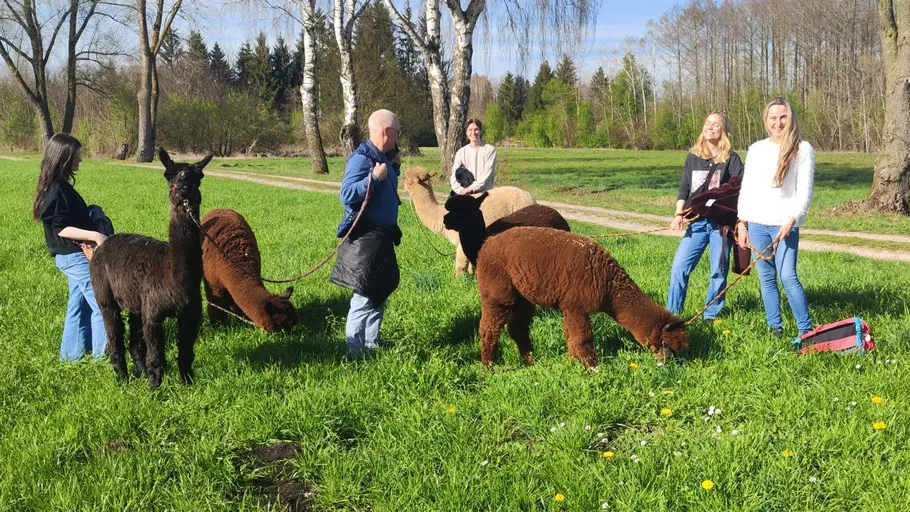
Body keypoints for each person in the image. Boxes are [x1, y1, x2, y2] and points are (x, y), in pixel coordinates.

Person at [736, 97, 814, 336]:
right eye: (773, 118)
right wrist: (742, 222)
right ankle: (775, 328)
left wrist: (793, 219)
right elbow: (747, 188)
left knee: (787, 276)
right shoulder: (756, 149)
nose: (778, 123)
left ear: (790, 119)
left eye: (783, 117)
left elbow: (805, 191)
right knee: (766, 278)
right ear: (765, 120)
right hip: (757, 224)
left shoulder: (802, 149)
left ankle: (806, 331)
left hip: (784, 225)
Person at [330, 109, 403, 357]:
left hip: (382, 237)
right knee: (363, 295)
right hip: (367, 238)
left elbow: (386, 188)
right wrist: (373, 177)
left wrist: (395, 169)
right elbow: (347, 195)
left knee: (379, 292)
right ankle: (354, 351)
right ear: (385, 132)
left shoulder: (383, 156)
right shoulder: (362, 159)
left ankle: (372, 344)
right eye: (395, 133)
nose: (397, 139)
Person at [33, 133, 108, 361]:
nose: (80, 160)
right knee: (102, 305)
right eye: (76, 156)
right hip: (73, 255)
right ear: (64, 157)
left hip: (70, 255)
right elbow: (62, 229)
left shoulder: (56, 186)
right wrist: (96, 235)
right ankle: (102, 358)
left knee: (79, 304)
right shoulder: (57, 190)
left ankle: (70, 357)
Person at [666, 112, 744, 320]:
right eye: (707, 123)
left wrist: (741, 222)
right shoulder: (693, 156)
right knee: (679, 268)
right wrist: (678, 214)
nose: (710, 127)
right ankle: (672, 316)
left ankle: (711, 316)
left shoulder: (731, 159)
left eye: (716, 125)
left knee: (718, 272)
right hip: (697, 223)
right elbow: (684, 187)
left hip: (721, 225)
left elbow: (741, 190)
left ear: (723, 131)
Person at [450, 118, 497, 195]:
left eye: (476, 129)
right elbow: (454, 175)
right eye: (470, 130)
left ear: (480, 131)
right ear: (466, 132)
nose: (473, 132)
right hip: (464, 195)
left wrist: (470, 189)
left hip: (483, 195)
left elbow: (485, 177)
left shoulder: (489, 150)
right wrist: (460, 190)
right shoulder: (461, 152)